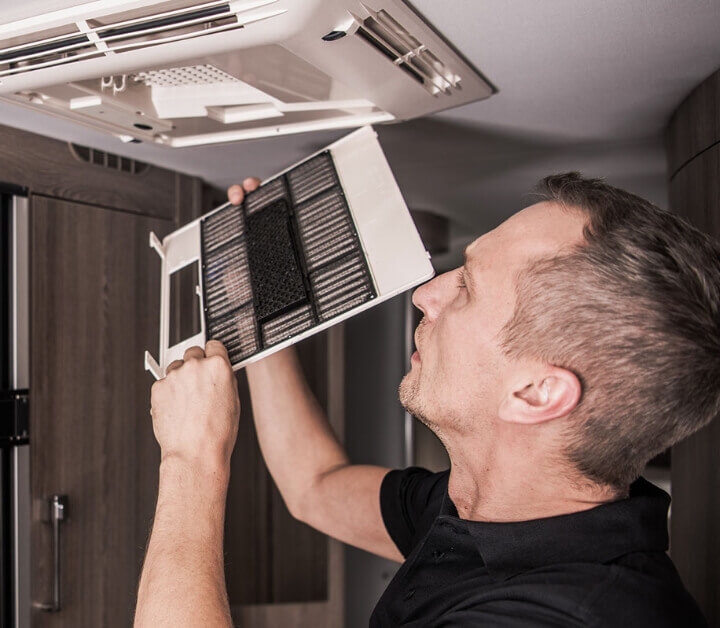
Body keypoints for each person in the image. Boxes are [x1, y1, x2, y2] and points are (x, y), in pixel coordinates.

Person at [134, 173, 718, 627]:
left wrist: (190, 459)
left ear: (536, 393)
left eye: (466, 288)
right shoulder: (499, 505)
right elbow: (315, 487)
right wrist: (260, 315)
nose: (426, 294)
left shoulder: (560, 616)